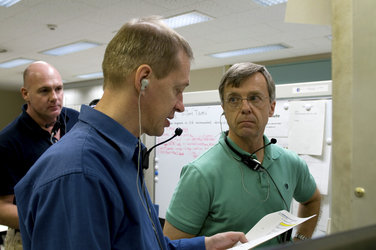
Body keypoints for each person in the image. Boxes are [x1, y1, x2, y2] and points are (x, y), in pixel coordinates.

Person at [14, 17, 247, 250]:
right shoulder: (80, 173)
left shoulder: (120, 155)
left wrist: (206, 245)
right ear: (143, 79)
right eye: (177, 90)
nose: (180, 105)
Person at [163, 62, 321, 247]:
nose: (245, 108)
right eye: (234, 99)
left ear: (271, 107)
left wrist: (300, 241)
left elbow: (312, 199)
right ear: (224, 108)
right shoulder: (200, 173)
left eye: (254, 98)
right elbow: (171, 246)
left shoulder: (290, 162)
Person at [0, 61, 79, 249]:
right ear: (25, 94)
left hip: (77, 231)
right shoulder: (8, 141)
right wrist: (52, 222)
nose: (54, 97)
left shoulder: (76, 121)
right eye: (44, 91)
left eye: (58, 89)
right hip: (30, 236)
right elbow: (2, 208)